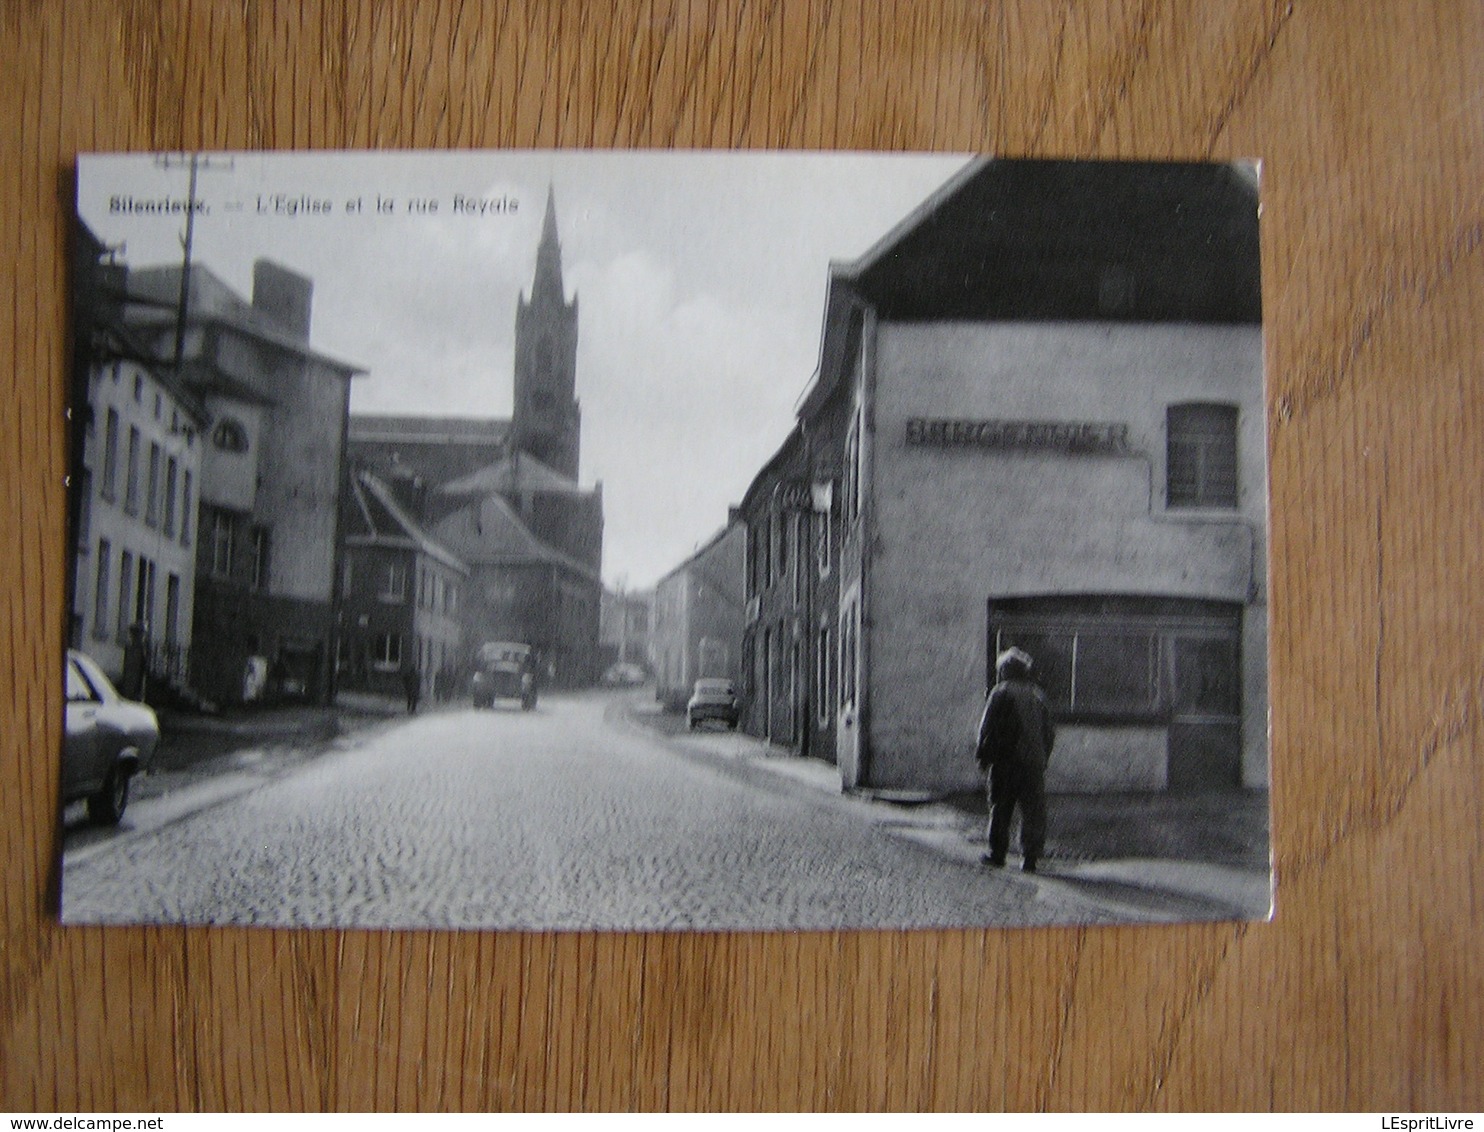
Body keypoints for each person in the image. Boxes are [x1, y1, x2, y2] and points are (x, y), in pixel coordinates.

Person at [976, 646, 1056, 872]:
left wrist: (983, 755)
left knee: (1001, 808)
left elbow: (987, 727)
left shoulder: (1000, 692)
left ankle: (997, 853)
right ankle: (1030, 858)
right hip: (1033, 764)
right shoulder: (1038, 695)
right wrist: (1043, 757)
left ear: (1005, 671)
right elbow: (1049, 732)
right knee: (1033, 810)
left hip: (1006, 762)